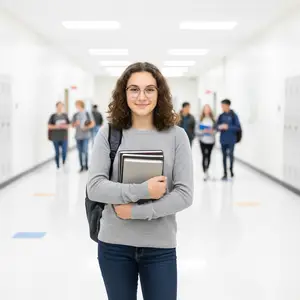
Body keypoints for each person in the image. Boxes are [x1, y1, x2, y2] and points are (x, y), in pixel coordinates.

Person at [87, 62, 193, 300]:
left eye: (150, 89)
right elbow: (95, 187)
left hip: (160, 246)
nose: (142, 96)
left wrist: (134, 212)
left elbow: (185, 194)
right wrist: (143, 190)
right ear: (123, 94)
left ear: (160, 94)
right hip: (114, 245)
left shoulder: (177, 136)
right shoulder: (109, 133)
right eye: (134, 89)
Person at [216, 99, 241, 180]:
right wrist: (220, 127)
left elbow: (237, 127)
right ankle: (225, 173)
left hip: (231, 140)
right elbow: (216, 127)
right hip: (223, 140)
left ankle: (231, 170)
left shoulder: (234, 115)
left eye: (223, 105)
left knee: (231, 156)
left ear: (227, 105)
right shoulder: (221, 116)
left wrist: (228, 127)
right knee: (223, 157)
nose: (222, 107)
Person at [72, 100, 95, 172]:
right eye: (76, 105)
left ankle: (86, 166)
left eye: (77, 104)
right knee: (79, 152)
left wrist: (86, 127)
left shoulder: (87, 113)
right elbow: (72, 125)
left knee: (85, 151)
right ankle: (81, 166)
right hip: (77, 136)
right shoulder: (75, 114)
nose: (76, 106)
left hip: (86, 135)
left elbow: (93, 124)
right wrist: (76, 123)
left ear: (81, 105)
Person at [195, 104, 216, 181]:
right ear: (203, 110)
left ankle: (207, 170)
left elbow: (216, 129)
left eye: (208, 109)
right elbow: (196, 131)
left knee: (209, 156)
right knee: (204, 156)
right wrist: (203, 131)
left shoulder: (213, 119)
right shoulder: (200, 120)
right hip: (202, 140)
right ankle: (204, 172)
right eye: (205, 109)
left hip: (211, 141)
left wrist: (212, 131)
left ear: (210, 110)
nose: (207, 110)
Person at [48, 102, 70, 169]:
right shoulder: (53, 116)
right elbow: (49, 126)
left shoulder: (65, 115)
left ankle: (63, 161)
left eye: (61, 106)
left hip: (64, 137)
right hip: (55, 137)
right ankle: (57, 165)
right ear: (56, 107)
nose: (60, 108)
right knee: (57, 152)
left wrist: (64, 126)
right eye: (59, 106)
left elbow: (69, 125)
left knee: (64, 151)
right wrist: (57, 126)